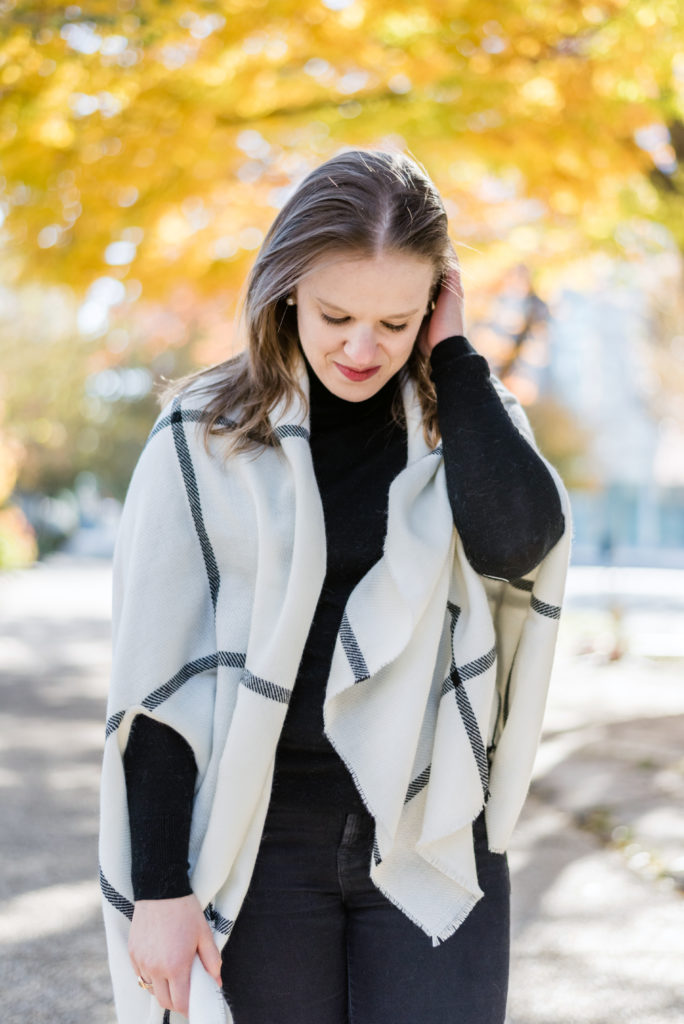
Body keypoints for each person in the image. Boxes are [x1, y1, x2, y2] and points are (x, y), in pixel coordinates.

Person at [99, 148, 572, 1024]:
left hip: (432, 829)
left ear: (435, 301)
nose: (362, 348)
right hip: (261, 835)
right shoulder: (203, 437)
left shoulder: (464, 423)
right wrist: (159, 891)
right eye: (336, 313)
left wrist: (457, 358)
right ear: (284, 289)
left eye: (397, 322)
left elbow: (519, 542)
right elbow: (156, 686)